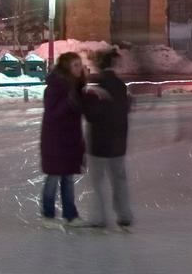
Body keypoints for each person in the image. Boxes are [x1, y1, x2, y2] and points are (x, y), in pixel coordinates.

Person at [80, 47, 134, 230]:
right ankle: (124, 214)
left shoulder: (97, 88)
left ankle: (98, 217)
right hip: (119, 142)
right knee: (119, 180)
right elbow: (125, 108)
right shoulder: (121, 86)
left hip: (99, 143)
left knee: (97, 182)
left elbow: (92, 116)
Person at [38, 51, 87, 229]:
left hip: (70, 138)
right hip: (55, 139)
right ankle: (48, 214)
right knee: (54, 177)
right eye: (75, 65)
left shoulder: (76, 86)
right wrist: (70, 100)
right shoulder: (56, 87)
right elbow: (53, 113)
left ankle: (70, 215)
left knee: (68, 178)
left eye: (80, 65)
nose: (79, 68)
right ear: (67, 67)